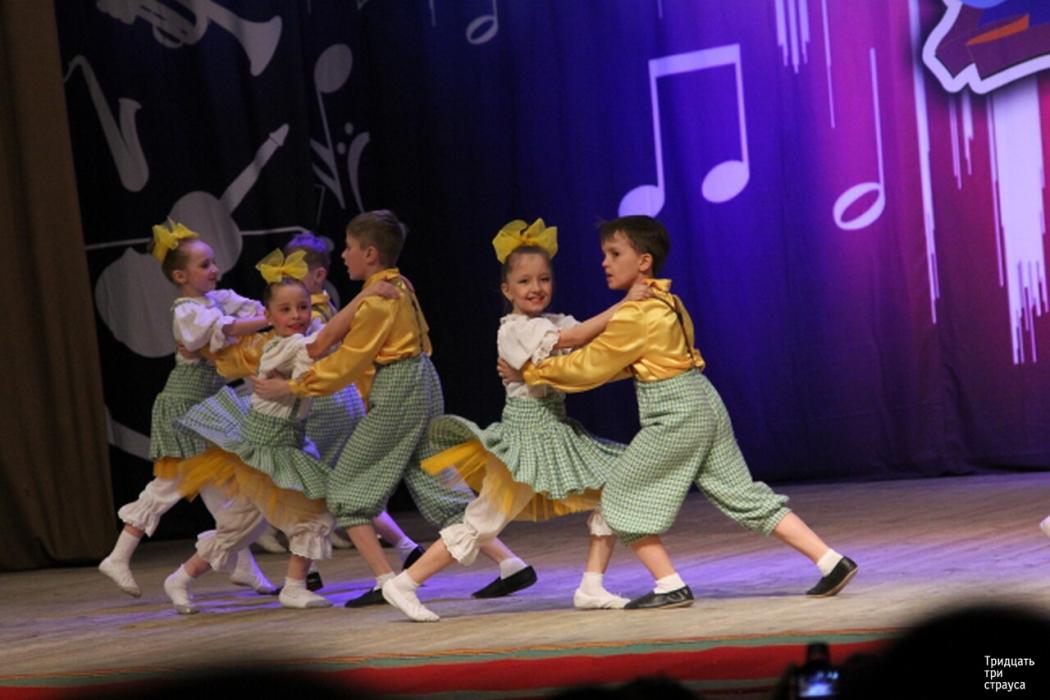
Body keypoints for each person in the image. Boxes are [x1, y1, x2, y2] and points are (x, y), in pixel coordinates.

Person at [501, 215, 857, 609]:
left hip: (675, 413)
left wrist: (529, 371)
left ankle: (669, 584)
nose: (605, 262)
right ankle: (830, 561)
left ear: (644, 261)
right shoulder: (667, 300)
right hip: (703, 400)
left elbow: (589, 367)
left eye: (614, 254)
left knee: (618, 496)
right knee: (741, 494)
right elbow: (632, 363)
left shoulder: (635, 314)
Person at [253, 211, 535, 607]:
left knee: (345, 490)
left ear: (369, 254)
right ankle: (510, 564)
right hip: (418, 381)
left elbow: (346, 361)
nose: (344, 255)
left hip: (401, 389)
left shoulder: (379, 299)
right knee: (433, 483)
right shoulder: (396, 285)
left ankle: (386, 580)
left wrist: (293, 386)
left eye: (349, 248)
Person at [382, 218, 648, 622]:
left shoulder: (553, 321)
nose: (536, 287)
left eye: (544, 279)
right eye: (524, 281)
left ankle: (592, 586)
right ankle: (405, 583)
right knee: (483, 522)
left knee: (616, 489)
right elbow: (573, 341)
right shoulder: (515, 329)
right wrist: (625, 304)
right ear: (507, 290)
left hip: (553, 433)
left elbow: (592, 340)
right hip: (525, 440)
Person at [162, 249, 369, 612]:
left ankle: (180, 578)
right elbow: (323, 345)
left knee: (241, 526)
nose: (296, 315)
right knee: (317, 514)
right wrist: (364, 298)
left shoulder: (293, 341)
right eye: (285, 310)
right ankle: (294, 586)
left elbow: (326, 342)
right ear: (268, 317)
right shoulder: (286, 346)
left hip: (280, 443)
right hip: (269, 449)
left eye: (302, 307)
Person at [99, 221, 273, 598]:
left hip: (209, 408)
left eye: (213, 262)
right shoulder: (187, 311)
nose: (214, 269)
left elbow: (245, 312)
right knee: (170, 485)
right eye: (204, 264)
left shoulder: (215, 300)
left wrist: (275, 310)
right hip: (185, 409)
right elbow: (227, 329)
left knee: (226, 489)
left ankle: (244, 565)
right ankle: (118, 555)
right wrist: (268, 320)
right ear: (181, 276)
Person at [281, 231, 425, 568]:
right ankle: (404, 546)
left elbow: (323, 351)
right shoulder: (330, 306)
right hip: (338, 398)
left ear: (318, 275)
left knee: (323, 486)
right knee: (340, 485)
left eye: (293, 275)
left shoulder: (312, 314)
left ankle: (303, 572)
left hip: (324, 403)